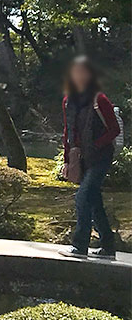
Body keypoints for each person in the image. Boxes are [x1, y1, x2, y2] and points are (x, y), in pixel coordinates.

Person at [59, 56, 120, 260]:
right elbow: (68, 132)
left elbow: (114, 129)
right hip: (81, 158)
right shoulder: (68, 100)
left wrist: (96, 145)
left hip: (100, 157)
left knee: (83, 198)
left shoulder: (99, 99)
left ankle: (80, 246)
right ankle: (108, 248)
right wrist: (68, 160)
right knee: (94, 202)